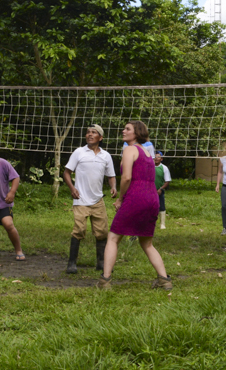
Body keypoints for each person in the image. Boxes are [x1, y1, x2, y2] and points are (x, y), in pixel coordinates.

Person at [98, 121, 171, 290]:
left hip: (136, 197)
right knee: (147, 243)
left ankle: (105, 281)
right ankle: (164, 280)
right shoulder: (147, 153)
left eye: (127, 129)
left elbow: (127, 178)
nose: (123, 131)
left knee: (113, 238)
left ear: (136, 133)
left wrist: (120, 199)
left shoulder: (129, 149)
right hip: (152, 198)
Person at [63, 125, 116, 273]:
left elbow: (111, 176)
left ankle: (101, 263)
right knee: (79, 230)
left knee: (102, 232)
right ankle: (71, 263)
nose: (89, 135)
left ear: (101, 137)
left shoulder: (106, 156)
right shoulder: (79, 152)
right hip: (80, 200)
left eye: (94, 133)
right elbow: (66, 172)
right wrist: (72, 188)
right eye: (87, 132)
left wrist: (113, 187)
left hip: (98, 200)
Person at [154, 150, 171, 230]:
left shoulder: (164, 168)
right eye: (155, 156)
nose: (156, 158)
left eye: (158, 157)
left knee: (161, 206)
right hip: (150, 191)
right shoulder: (149, 166)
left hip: (159, 191)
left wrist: (161, 189)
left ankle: (162, 224)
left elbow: (167, 181)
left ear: (161, 159)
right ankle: (151, 223)